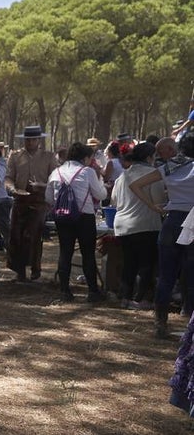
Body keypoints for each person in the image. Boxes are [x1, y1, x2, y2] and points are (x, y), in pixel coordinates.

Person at [123, 135, 194, 337]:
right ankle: (190, 325)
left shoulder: (169, 168)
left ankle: (160, 324)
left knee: (166, 276)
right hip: (192, 221)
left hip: (172, 221)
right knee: (191, 276)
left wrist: (152, 206)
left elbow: (135, 185)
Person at [45, 142, 107, 302]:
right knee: (88, 254)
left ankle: (64, 291)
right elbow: (100, 195)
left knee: (65, 252)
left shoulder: (56, 172)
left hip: (62, 217)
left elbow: (48, 198)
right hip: (84, 217)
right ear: (85, 158)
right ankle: (93, 292)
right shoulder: (87, 172)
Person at [112, 142, 163, 309]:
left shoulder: (122, 176)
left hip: (123, 225)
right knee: (146, 263)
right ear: (150, 157)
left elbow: (113, 200)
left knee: (129, 262)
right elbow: (159, 201)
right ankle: (141, 299)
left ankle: (125, 297)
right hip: (145, 224)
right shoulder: (153, 174)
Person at [5, 126, 56, 282]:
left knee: (33, 235)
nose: (30, 142)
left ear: (39, 140)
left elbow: (55, 180)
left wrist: (41, 185)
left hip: (39, 201)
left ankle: (35, 268)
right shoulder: (15, 156)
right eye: (28, 140)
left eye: (33, 139)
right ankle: (19, 271)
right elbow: (8, 177)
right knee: (16, 235)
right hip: (20, 199)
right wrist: (12, 188)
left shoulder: (48, 157)